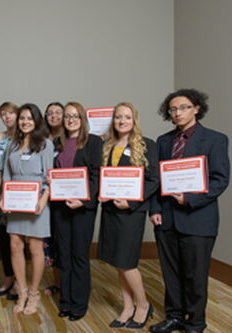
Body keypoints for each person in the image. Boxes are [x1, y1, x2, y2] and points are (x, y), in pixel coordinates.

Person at [149, 89, 229, 333]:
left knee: (195, 275)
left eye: (183, 107)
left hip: (197, 219)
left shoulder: (215, 139)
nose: (178, 112)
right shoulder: (163, 141)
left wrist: (189, 199)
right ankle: (173, 316)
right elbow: (157, 181)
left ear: (197, 108)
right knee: (171, 273)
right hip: (166, 218)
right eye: (173, 109)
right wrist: (154, 209)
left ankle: (195, 322)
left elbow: (220, 179)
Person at [97, 102, 158, 329]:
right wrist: (101, 193)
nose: (122, 121)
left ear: (135, 120)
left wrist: (131, 201)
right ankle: (127, 306)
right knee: (117, 261)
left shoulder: (146, 145)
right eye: (118, 117)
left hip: (131, 212)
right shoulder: (107, 145)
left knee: (127, 262)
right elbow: (104, 177)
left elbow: (153, 181)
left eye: (127, 117)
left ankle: (143, 305)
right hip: (111, 210)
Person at [51, 102, 102, 320]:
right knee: (63, 256)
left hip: (83, 208)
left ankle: (79, 304)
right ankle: (66, 302)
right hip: (60, 206)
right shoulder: (56, 142)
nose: (71, 120)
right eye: (67, 116)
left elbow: (95, 175)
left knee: (79, 256)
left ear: (83, 119)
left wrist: (84, 200)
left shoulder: (94, 142)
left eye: (75, 116)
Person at [2, 103, 54, 315]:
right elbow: (6, 174)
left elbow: (51, 177)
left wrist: (44, 200)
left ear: (37, 121)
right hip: (15, 199)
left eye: (29, 118)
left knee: (35, 247)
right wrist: (4, 198)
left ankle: (34, 293)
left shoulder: (46, 144)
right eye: (22, 118)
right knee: (15, 245)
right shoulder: (11, 145)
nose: (25, 122)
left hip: (36, 201)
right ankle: (22, 291)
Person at [0, 102, 19, 300]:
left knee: (18, 239)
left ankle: (20, 281)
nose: (7, 117)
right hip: (1, 194)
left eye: (10, 114)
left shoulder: (27, 137)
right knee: (4, 237)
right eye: (3, 114)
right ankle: (8, 277)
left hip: (20, 194)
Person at [43, 102, 65, 296]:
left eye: (58, 112)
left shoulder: (70, 138)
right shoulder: (41, 138)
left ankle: (67, 283)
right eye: (50, 113)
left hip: (63, 196)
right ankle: (57, 282)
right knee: (49, 241)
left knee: (63, 239)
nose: (54, 116)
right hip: (44, 197)